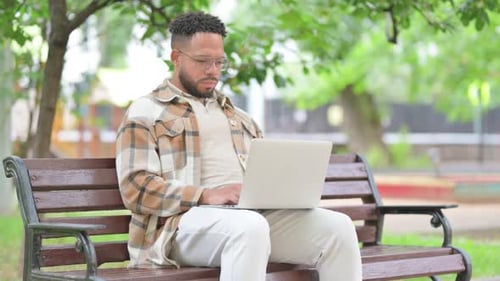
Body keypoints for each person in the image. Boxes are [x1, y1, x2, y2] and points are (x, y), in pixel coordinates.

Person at [115, 11, 362, 281]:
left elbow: (264, 176)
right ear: (176, 58)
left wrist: (281, 194)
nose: (213, 71)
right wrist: (206, 195)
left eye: (219, 62)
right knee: (249, 227)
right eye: (203, 61)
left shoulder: (242, 118)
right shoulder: (146, 111)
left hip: (249, 219)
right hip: (178, 228)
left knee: (338, 228)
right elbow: (135, 188)